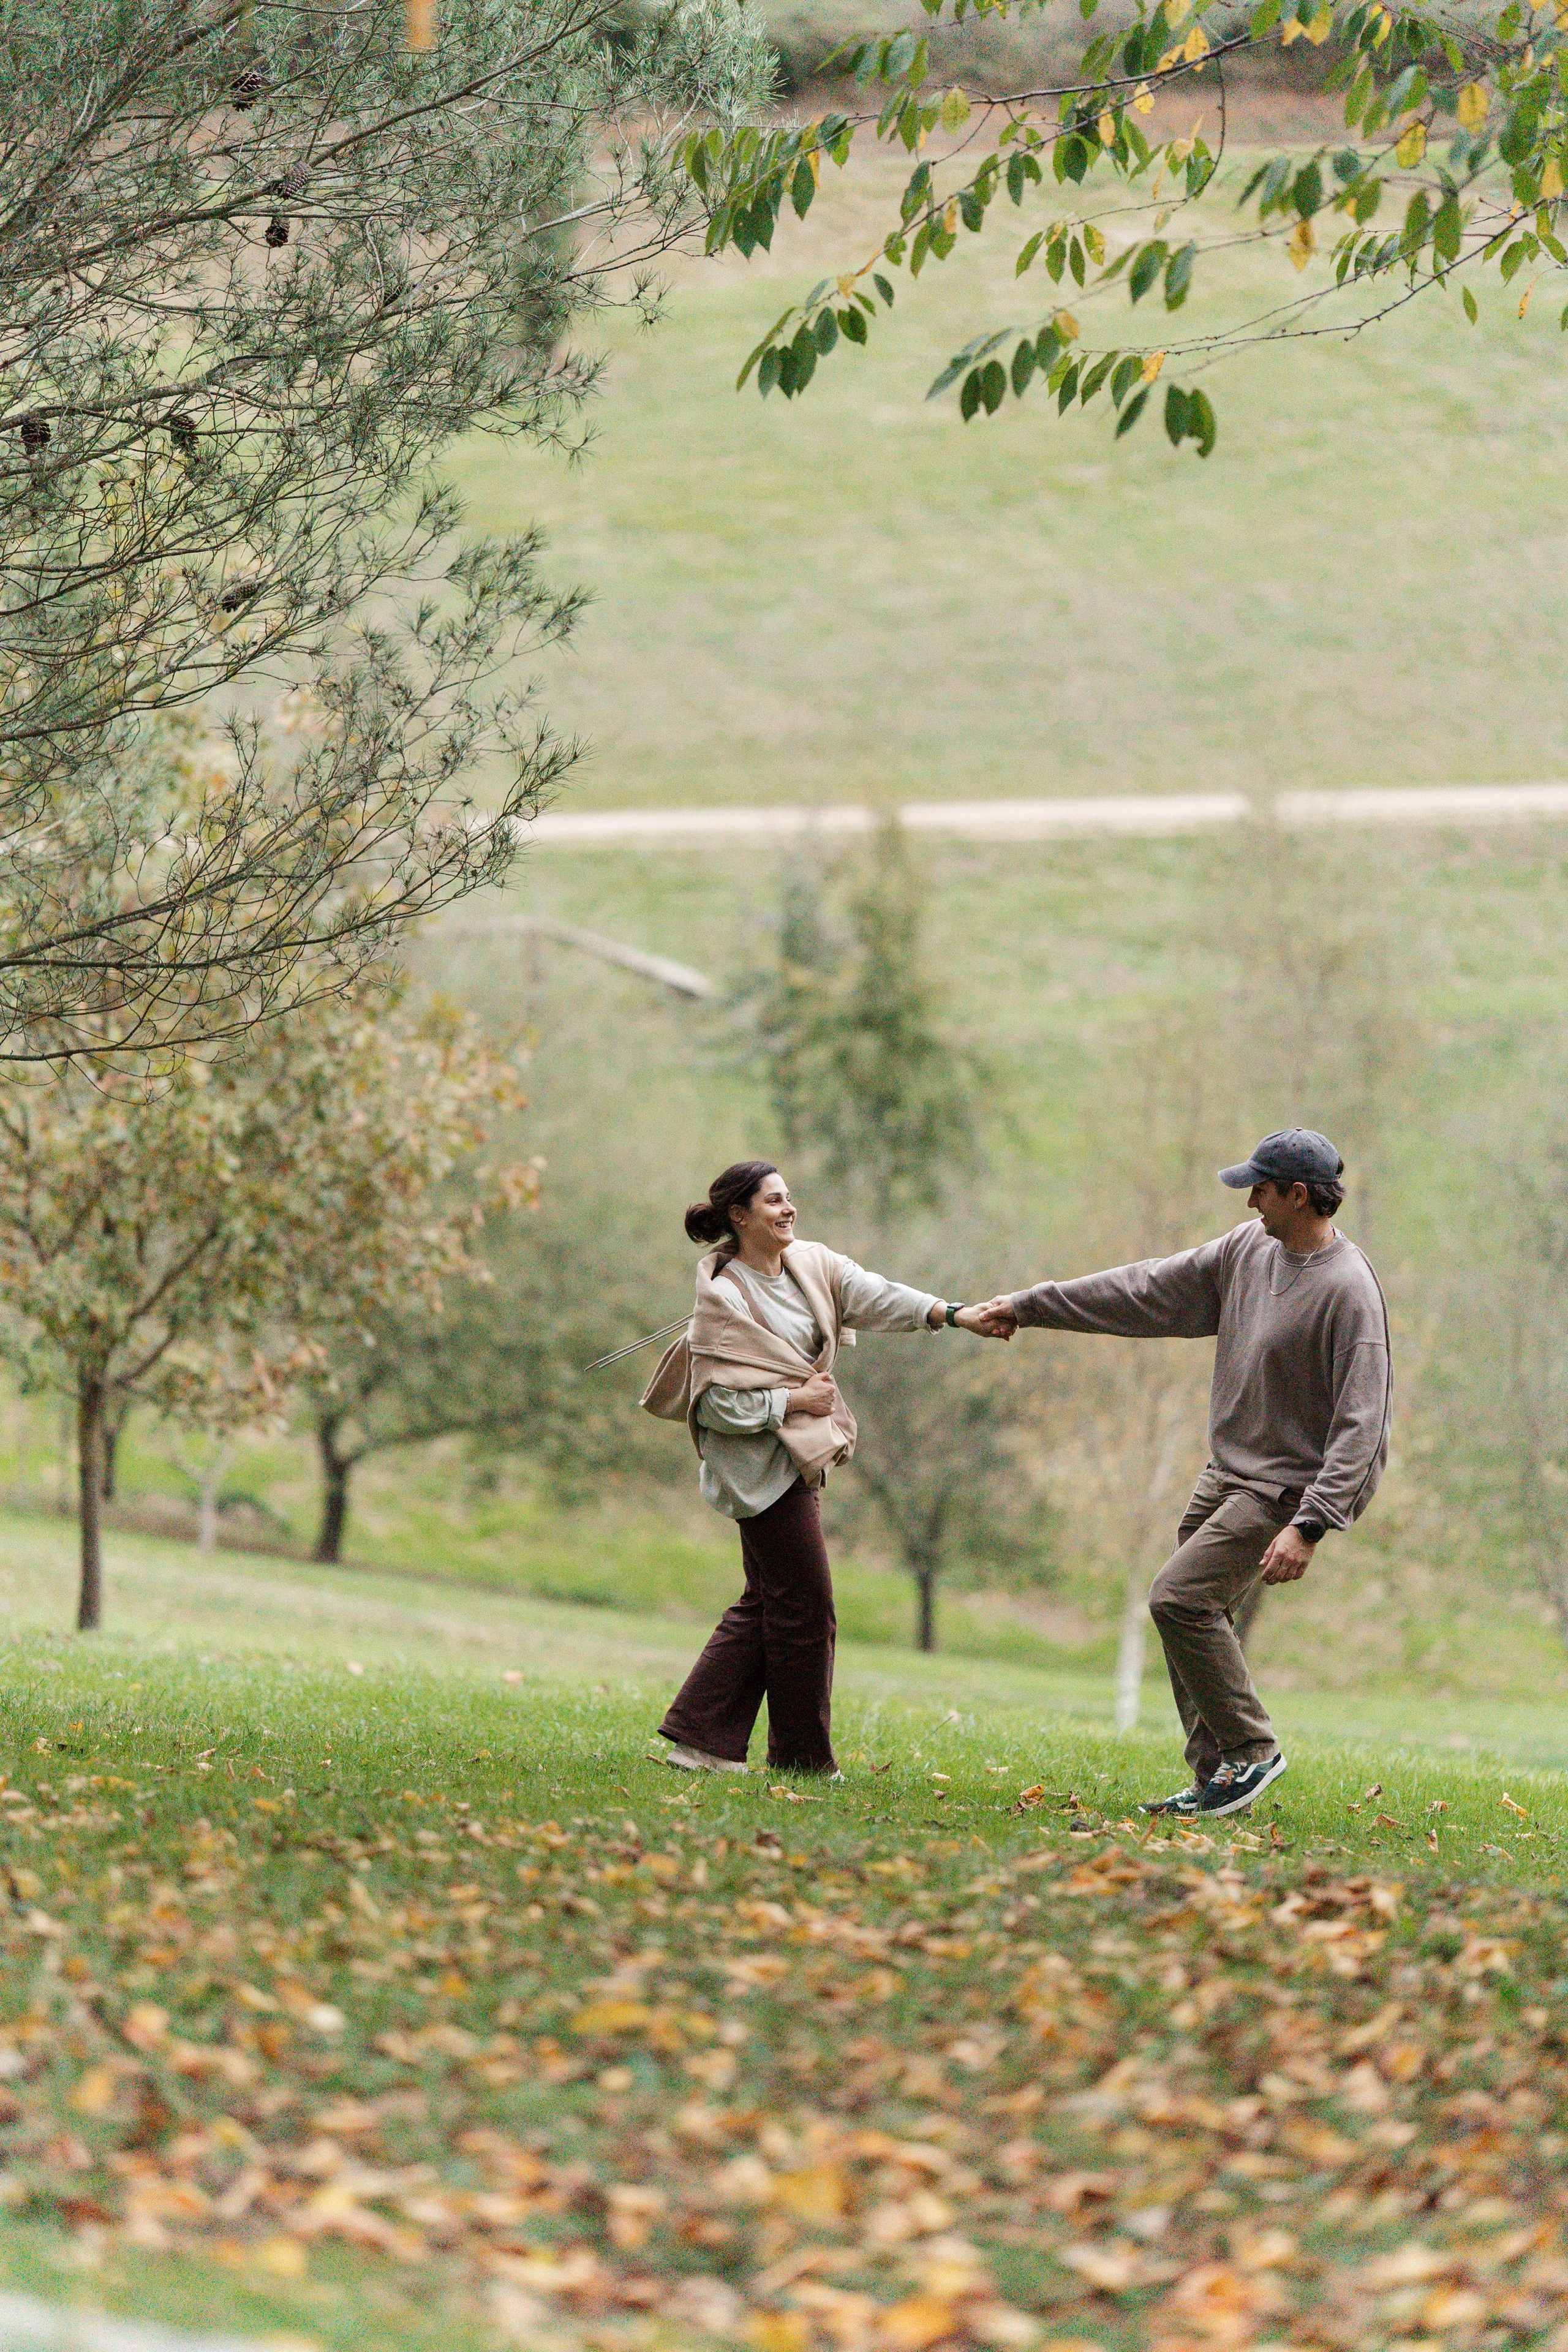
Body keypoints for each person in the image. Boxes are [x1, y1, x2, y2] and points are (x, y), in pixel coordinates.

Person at [971, 1129, 1392, 1820]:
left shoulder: (1347, 1291)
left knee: (1179, 1599)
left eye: (1261, 1188)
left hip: (1283, 1490)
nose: (1250, 1199)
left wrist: (1310, 1524)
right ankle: (1217, 1780)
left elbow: (1363, 1424)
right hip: (1224, 1473)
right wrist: (1032, 1304)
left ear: (1298, 1195)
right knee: (1197, 1617)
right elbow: (1144, 1290)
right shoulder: (1246, 1250)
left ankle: (1252, 1750)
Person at [641, 1160, 998, 1776]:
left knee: (769, 1603)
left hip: (796, 1457)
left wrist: (952, 1313)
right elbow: (718, 1404)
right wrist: (796, 1402)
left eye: (789, 1198)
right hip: (755, 1470)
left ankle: (701, 1742)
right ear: (740, 1215)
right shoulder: (724, 1298)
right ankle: (801, 1759)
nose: (789, 1209)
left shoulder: (810, 1265)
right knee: (807, 1607)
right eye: (774, 1201)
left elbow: (874, 1295)